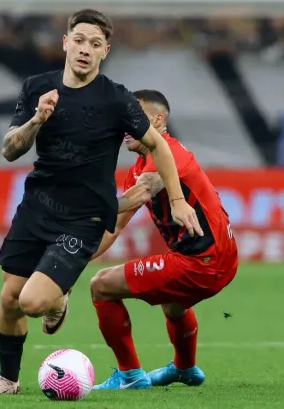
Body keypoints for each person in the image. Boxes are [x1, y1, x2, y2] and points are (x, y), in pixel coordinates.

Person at [0, 10, 203, 396]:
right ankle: (7, 380)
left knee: (31, 301)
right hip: (36, 207)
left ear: (105, 51)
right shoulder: (36, 88)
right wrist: (36, 120)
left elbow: (158, 145)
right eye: (79, 40)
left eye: (95, 44)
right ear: (65, 42)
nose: (85, 49)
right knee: (9, 298)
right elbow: (11, 149)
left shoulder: (116, 98)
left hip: (84, 219)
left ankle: (58, 295)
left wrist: (176, 200)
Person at [90, 90, 239, 390]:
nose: (126, 126)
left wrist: (91, 206)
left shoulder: (169, 153)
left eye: (136, 118)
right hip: (221, 258)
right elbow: (114, 228)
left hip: (200, 262)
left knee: (101, 286)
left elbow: (144, 192)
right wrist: (69, 264)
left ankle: (130, 375)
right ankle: (185, 368)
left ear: (158, 120)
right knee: (172, 303)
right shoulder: (136, 169)